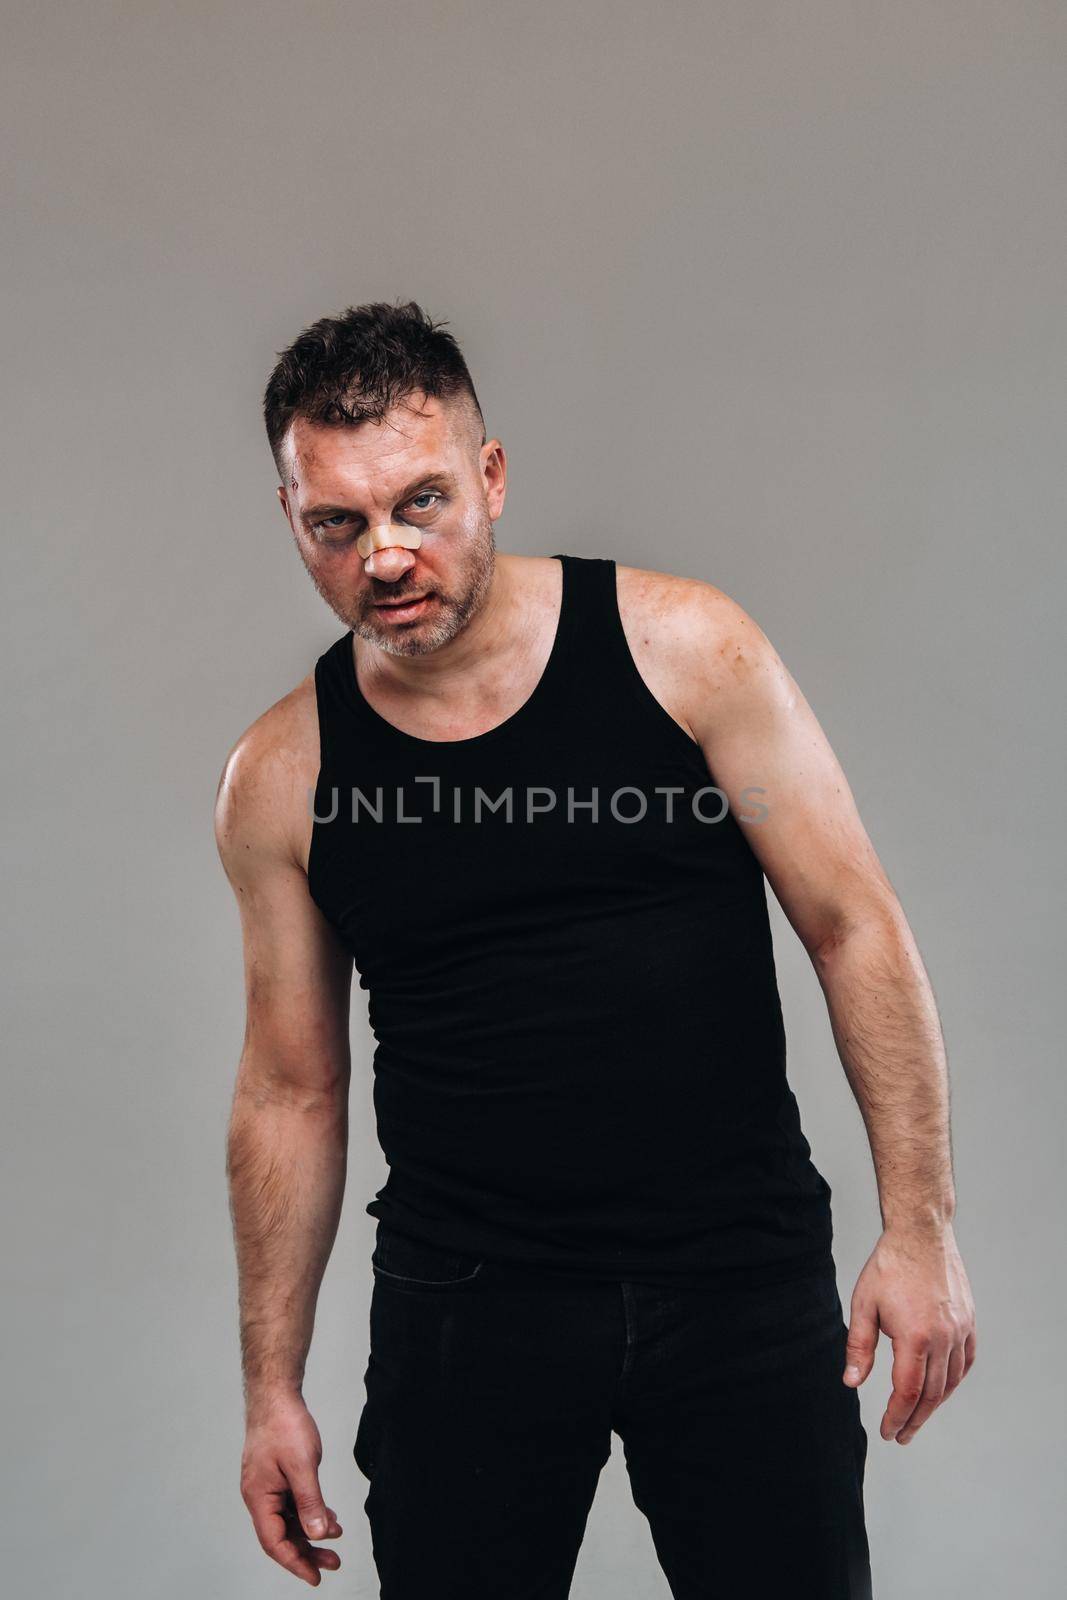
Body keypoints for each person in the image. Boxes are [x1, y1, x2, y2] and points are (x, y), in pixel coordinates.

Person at [214, 299, 976, 1598]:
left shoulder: (687, 649)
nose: (385, 554)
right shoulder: (283, 776)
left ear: (491, 477)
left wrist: (923, 1226)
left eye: (421, 503)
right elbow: (292, 1089)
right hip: (470, 1304)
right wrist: (270, 1390)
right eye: (337, 523)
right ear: (294, 518)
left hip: (736, 1278)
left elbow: (854, 927)